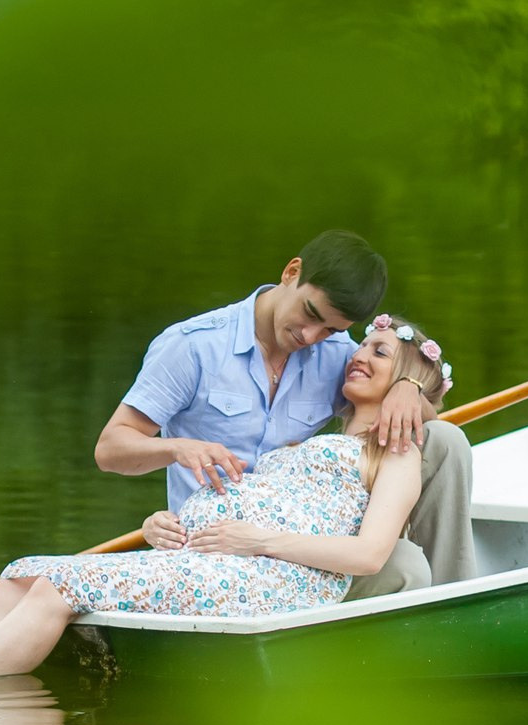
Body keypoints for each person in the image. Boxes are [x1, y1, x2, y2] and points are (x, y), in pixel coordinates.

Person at [0, 317, 451, 678]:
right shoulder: (304, 444)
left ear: (407, 378)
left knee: (55, 585)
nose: (358, 356)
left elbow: (368, 555)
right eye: (361, 348)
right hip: (210, 562)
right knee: (21, 572)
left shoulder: (393, 453)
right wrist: (166, 525)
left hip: (271, 580)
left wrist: (260, 541)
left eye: (378, 353)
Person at [92, 230, 475, 597]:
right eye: (310, 314)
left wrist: (408, 386)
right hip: (216, 546)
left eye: (330, 330)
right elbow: (111, 450)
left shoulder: (338, 354)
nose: (310, 336)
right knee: (404, 563)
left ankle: (455, 606)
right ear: (292, 272)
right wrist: (177, 448)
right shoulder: (193, 347)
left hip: (300, 548)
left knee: (444, 440)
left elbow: (399, 386)